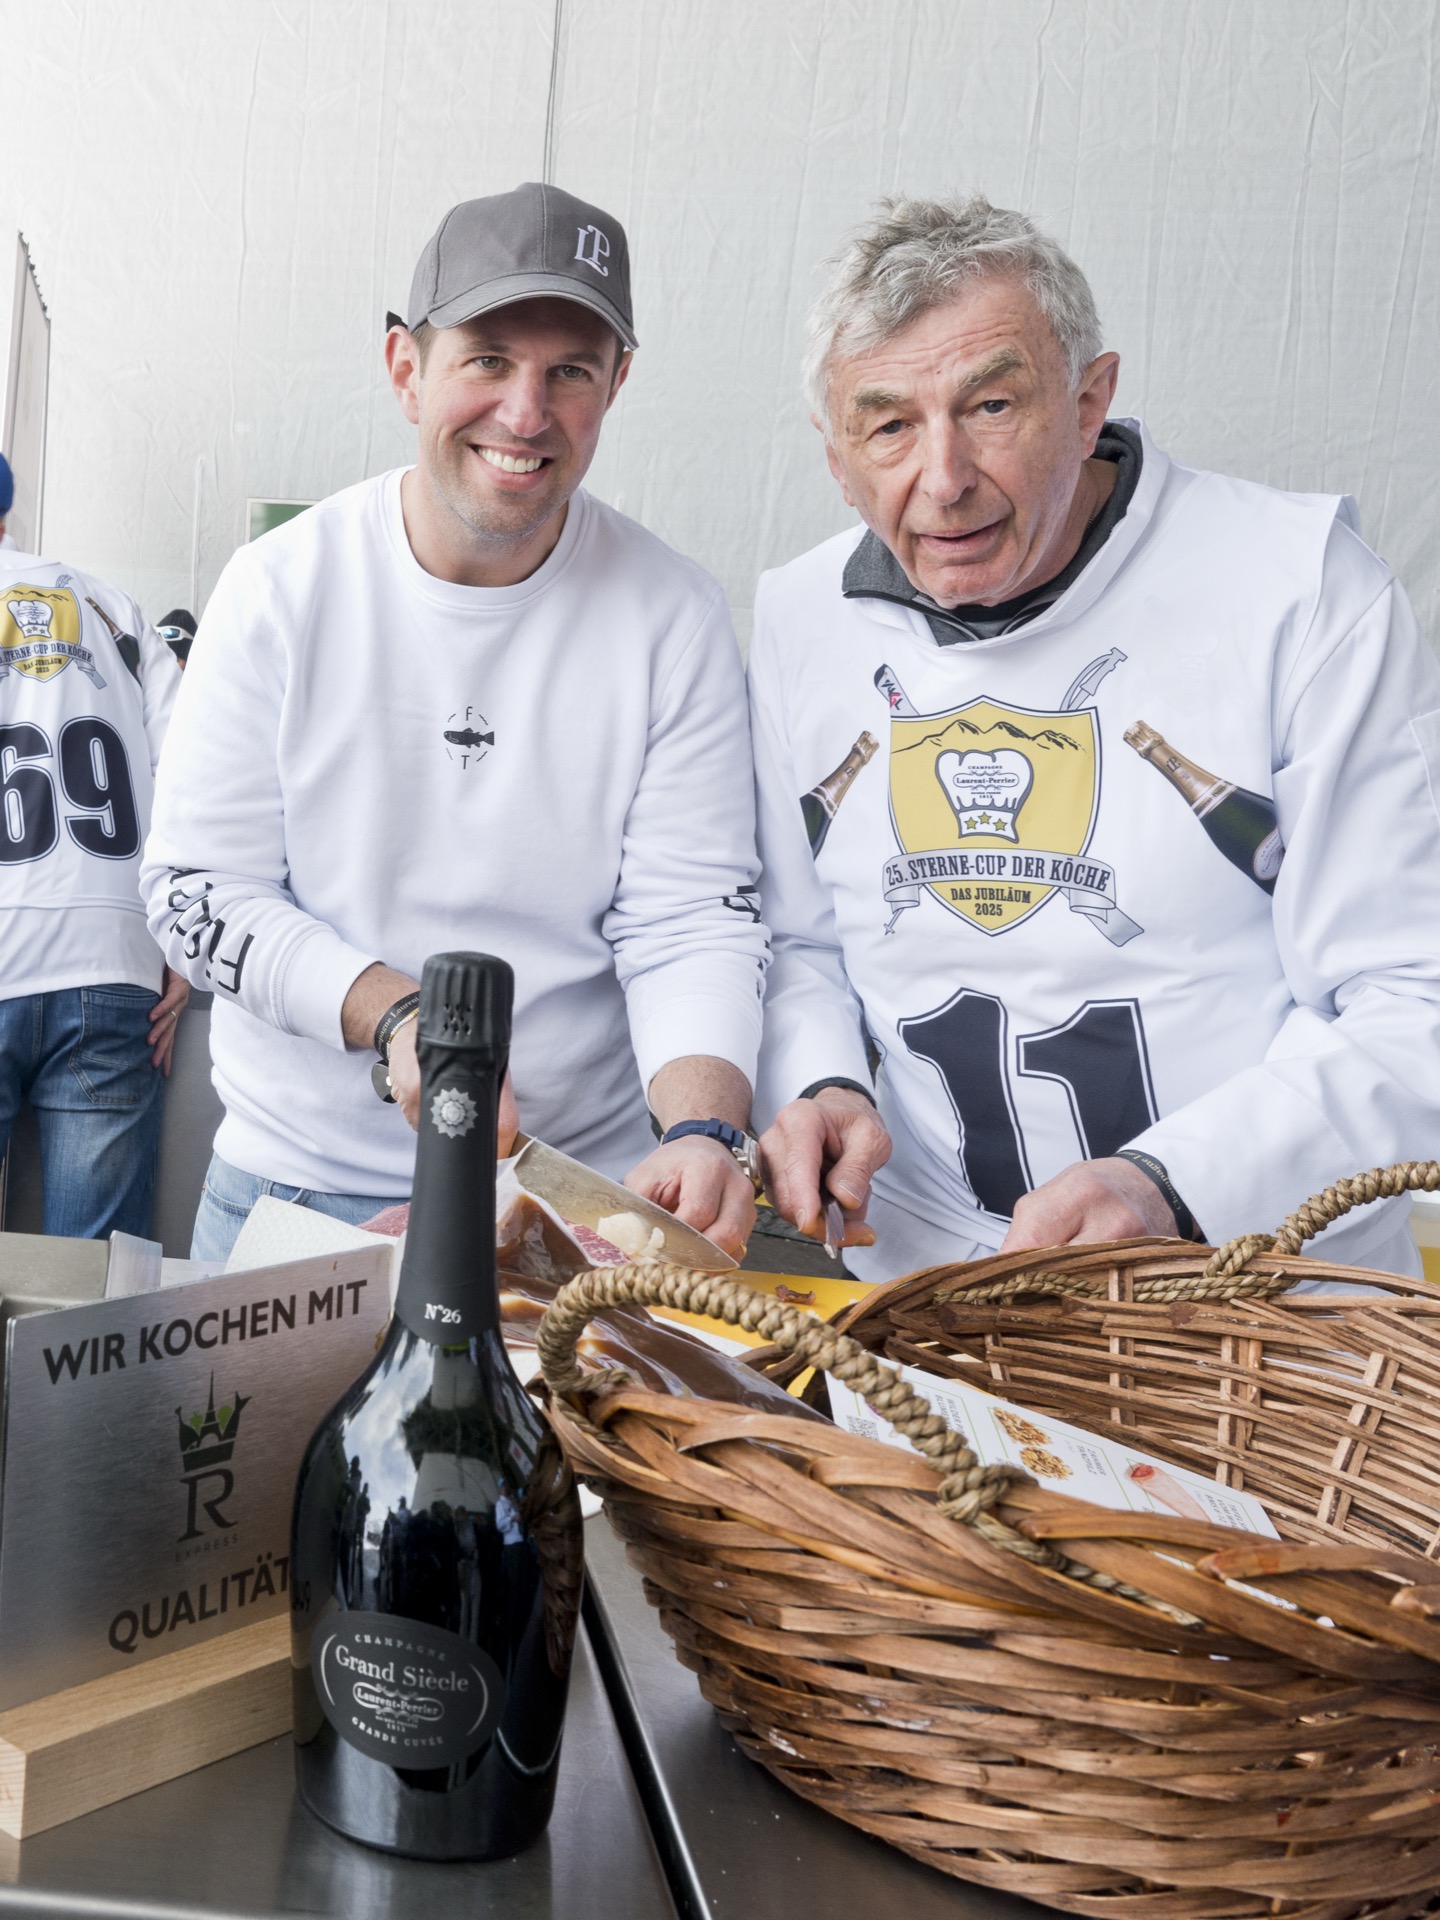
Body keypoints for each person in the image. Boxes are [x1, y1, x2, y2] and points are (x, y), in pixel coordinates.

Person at [751, 193, 1440, 1281]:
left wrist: (1173, 1184)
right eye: (889, 426)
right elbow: (800, 944)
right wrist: (823, 1082)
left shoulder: (1303, 591)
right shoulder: (798, 617)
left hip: (1266, 1293)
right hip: (929, 1290)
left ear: (1088, 402)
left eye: (990, 406)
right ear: (837, 456)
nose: (944, 480)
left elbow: (1413, 998)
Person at [142, 182, 768, 1265]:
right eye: (487, 359)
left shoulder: (673, 612)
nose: (525, 414)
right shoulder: (280, 588)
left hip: (569, 1201)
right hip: (299, 1189)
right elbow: (196, 893)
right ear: (406, 368)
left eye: (570, 371)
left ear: (616, 383)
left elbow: (690, 916)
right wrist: (397, 1015)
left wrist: (704, 1129)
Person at [0, 531, 188, 1238]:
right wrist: (185, 943)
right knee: (94, 1281)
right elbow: (194, 777)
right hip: (113, 956)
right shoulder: (114, 608)